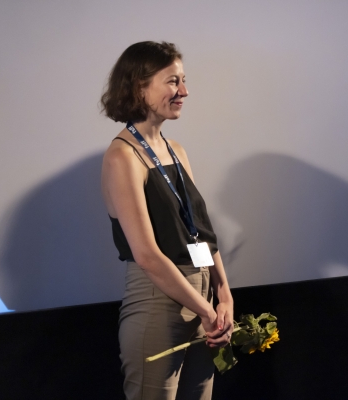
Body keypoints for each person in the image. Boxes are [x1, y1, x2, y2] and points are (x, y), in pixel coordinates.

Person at [100, 41, 233, 400]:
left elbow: (200, 232)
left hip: (202, 300)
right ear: (139, 87)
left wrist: (223, 294)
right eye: (173, 81)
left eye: (183, 81)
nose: (184, 91)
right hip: (159, 300)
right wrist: (206, 308)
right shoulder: (122, 157)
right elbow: (146, 254)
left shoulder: (176, 150)